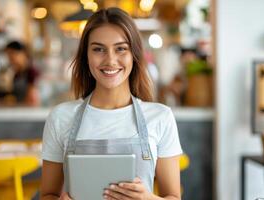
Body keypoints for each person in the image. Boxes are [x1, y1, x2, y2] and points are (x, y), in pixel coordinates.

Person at [41, 7, 182, 200]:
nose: (110, 60)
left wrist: (147, 199)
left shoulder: (160, 117)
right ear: (86, 56)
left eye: (121, 49)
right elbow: (47, 195)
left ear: (134, 55)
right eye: (98, 49)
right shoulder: (61, 117)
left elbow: (173, 196)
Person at [5, 41, 40, 106]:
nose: (10, 59)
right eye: (8, 56)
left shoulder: (32, 72)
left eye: (13, 54)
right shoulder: (17, 74)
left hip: (29, 112)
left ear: (24, 54)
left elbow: (32, 99)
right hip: (19, 111)